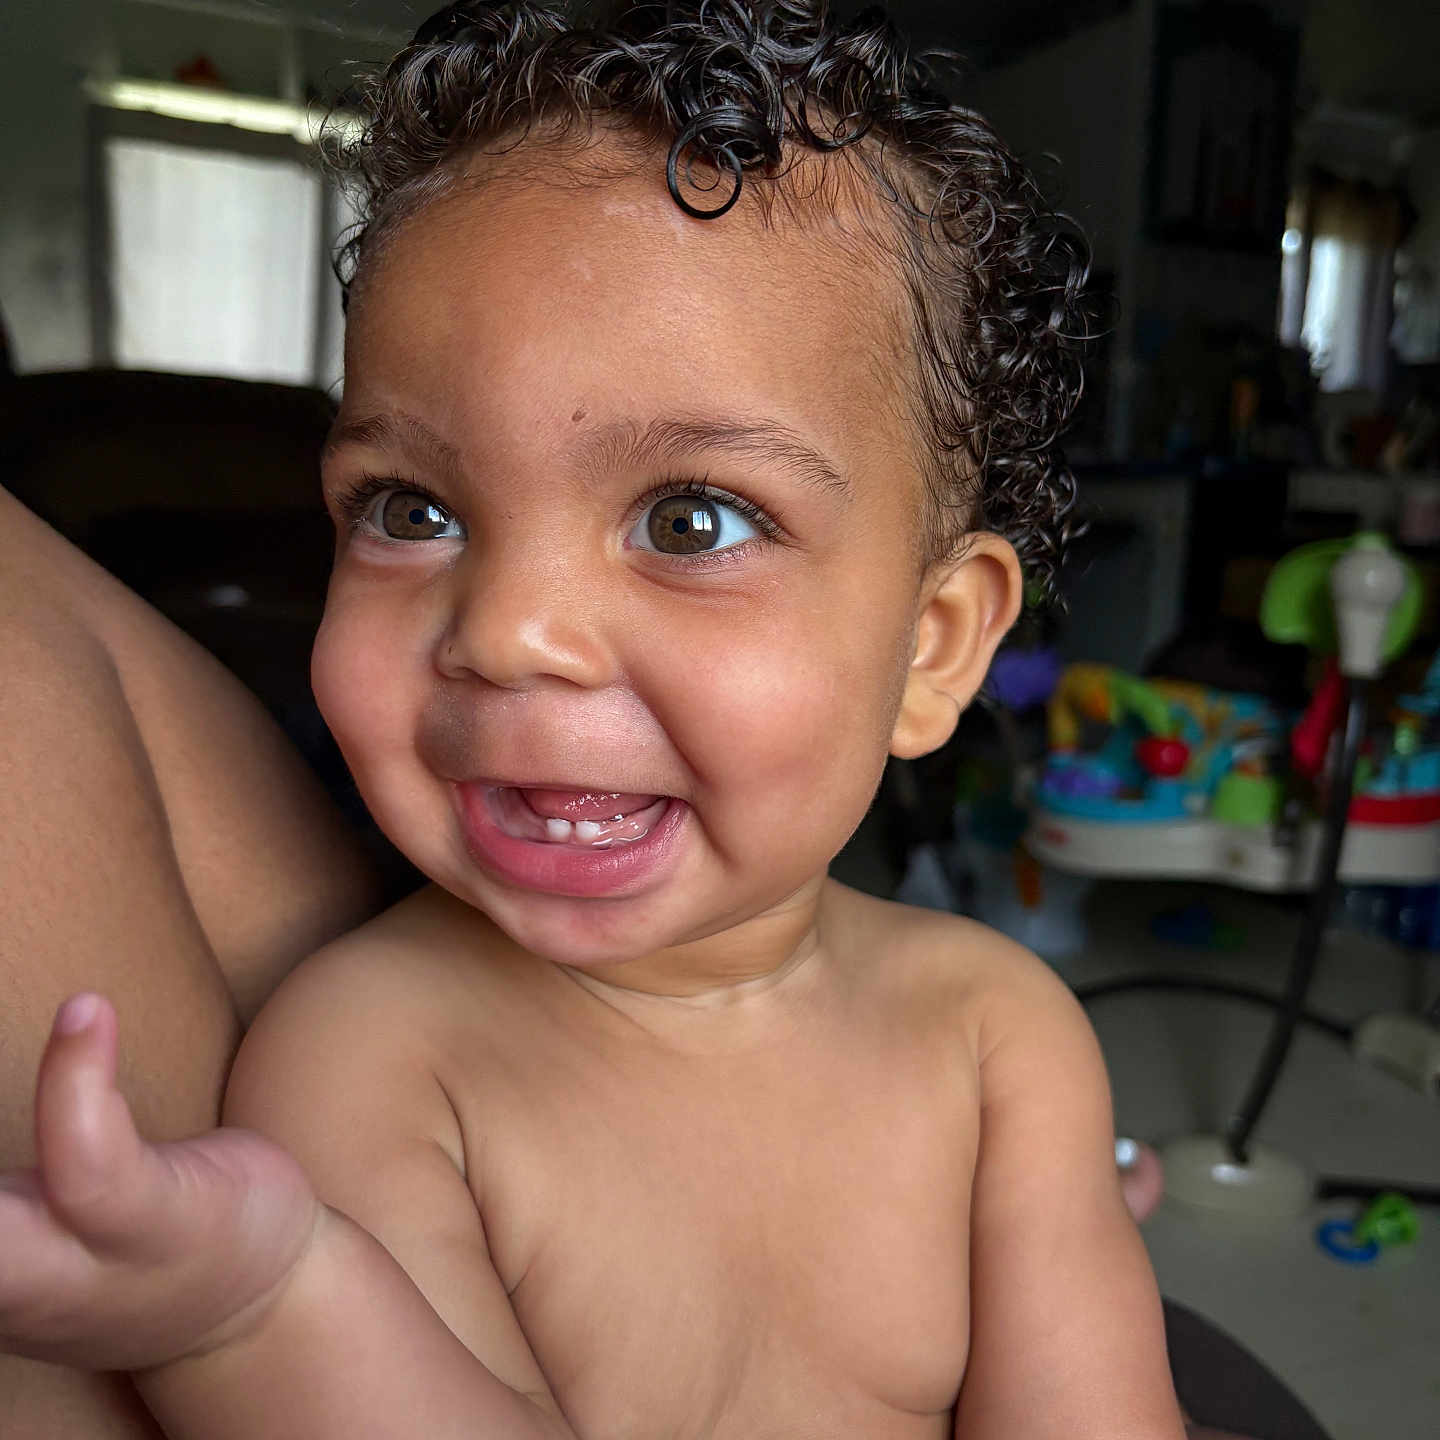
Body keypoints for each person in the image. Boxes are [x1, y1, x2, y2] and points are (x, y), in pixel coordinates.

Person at [0, 3, 1247, 1436]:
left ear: (931, 646)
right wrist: (270, 1305)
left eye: (691, 517)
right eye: (414, 511)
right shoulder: (372, 1057)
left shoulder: (996, 1038)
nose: (507, 630)